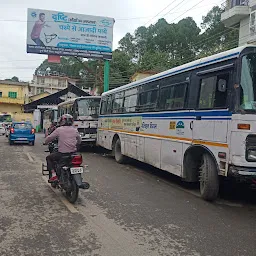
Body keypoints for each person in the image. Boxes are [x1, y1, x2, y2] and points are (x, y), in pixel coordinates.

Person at [44, 114, 81, 183]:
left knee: (48, 158)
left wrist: (45, 142)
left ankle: (54, 175)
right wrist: (76, 143)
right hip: (73, 153)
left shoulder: (59, 129)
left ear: (62, 121)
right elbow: (79, 140)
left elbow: (49, 138)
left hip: (62, 154)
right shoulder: (74, 130)